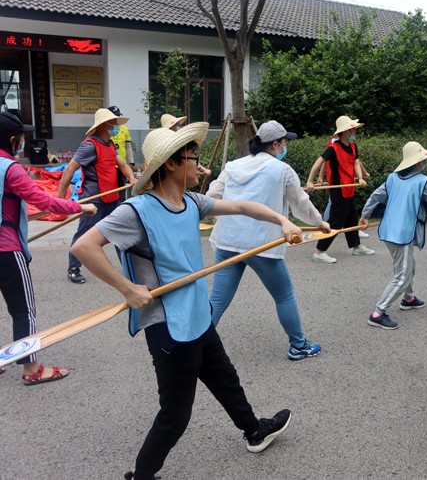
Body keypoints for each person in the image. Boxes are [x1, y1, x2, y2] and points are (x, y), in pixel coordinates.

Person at [70, 121, 300, 480]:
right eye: (193, 157)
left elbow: (241, 207)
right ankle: (141, 476)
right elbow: (83, 247)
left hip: (197, 315)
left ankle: (254, 431)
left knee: (226, 379)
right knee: (175, 415)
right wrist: (127, 289)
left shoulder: (191, 202)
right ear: (173, 164)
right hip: (168, 329)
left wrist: (282, 221)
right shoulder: (138, 211)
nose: (200, 165)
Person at [207, 120, 329, 359]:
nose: (286, 147)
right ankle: (299, 345)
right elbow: (301, 204)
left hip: (227, 241)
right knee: (284, 295)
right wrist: (320, 222)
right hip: (261, 244)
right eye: (285, 142)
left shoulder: (232, 166)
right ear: (275, 144)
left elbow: (212, 198)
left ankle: (194, 347)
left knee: (218, 299)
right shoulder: (282, 170)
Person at [0, 112, 97, 384]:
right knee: (23, 311)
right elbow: (45, 202)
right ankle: (31, 370)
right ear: (12, 140)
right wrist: (80, 206)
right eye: (21, 138)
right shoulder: (10, 169)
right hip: (6, 250)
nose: (23, 142)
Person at [360, 141, 427, 330]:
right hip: (403, 233)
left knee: (409, 265)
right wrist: (422, 216)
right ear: (418, 162)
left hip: (388, 230)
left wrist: (364, 215)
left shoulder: (392, 178)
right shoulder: (423, 181)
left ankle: (408, 298)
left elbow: (375, 196)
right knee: (402, 274)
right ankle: (378, 313)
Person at [58, 108, 137, 284]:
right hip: (93, 199)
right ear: (103, 125)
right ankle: (73, 267)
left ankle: (128, 268)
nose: (116, 125)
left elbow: (122, 164)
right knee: (84, 234)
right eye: (112, 122)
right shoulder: (89, 145)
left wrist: (131, 177)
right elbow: (70, 169)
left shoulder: (110, 144)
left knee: (120, 231)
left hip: (112, 197)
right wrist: (60, 198)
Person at [306, 115, 373, 263]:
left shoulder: (353, 146)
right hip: (338, 189)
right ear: (346, 132)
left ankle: (356, 246)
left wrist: (360, 177)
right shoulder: (333, 148)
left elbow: (356, 163)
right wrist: (310, 181)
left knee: (351, 217)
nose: (355, 132)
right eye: (353, 130)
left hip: (349, 187)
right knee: (336, 220)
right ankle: (319, 251)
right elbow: (319, 162)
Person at [161, 113, 212, 178]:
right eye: (176, 126)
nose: (178, 128)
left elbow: (189, 158)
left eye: (179, 126)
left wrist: (201, 169)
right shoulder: (167, 146)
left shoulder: (179, 144)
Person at [108, 105, 134, 201]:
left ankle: (120, 205)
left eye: (118, 116)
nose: (116, 118)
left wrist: (131, 162)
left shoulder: (124, 130)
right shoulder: (105, 130)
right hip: (108, 166)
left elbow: (128, 147)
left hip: (121, 166)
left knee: (121, 188)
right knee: (109, 189)